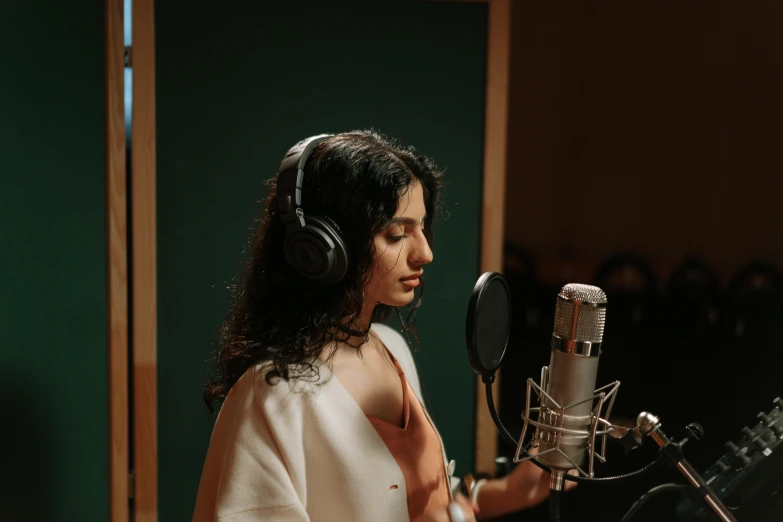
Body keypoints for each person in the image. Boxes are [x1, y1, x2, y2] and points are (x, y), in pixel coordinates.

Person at [192, 130, 563, 522]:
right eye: (397, 234)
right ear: (324, 246)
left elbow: (420, 499)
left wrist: (514, 490)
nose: (425, 252)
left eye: (422, 227)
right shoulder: (274, 394)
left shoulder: (390, 347)